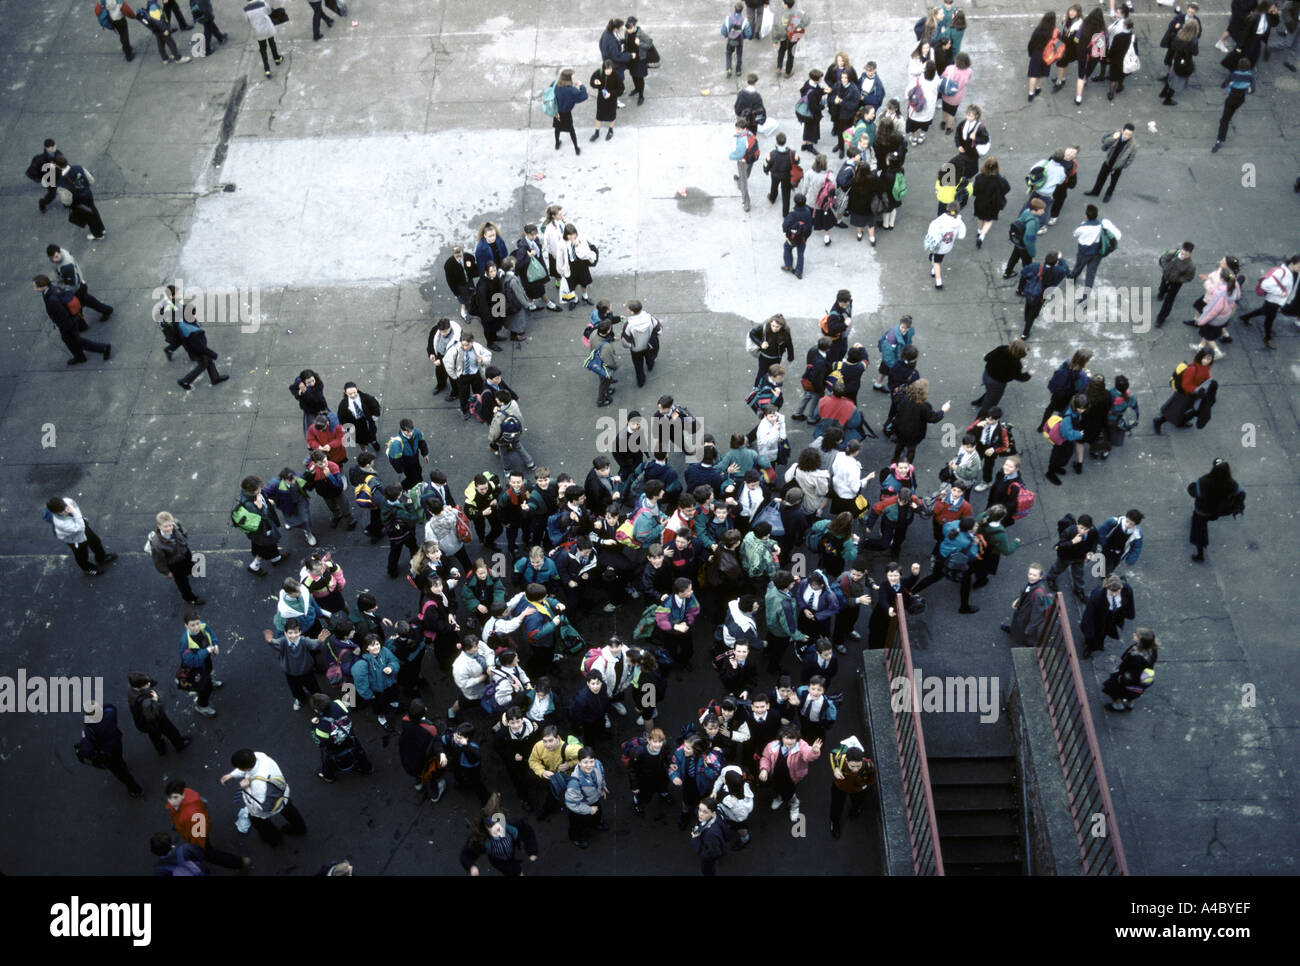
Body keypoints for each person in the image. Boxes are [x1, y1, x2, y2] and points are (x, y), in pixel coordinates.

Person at [219, 748, 306, 846]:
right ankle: (300, 828)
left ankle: (274, 839)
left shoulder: (259, 785)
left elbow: (260, 806)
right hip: (282, 793)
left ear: (245, 768)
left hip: (268, 805)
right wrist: (231, 775)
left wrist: (245, 788)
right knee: (288, 809)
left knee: (258, 822)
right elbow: (248, 768)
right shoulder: (259, 756)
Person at [163, 781, 249, 872]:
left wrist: (198, 848)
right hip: (192, 830)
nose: (170, 801)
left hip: (198, 837)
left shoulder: (193, 814)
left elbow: (199, 837)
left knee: (210, 855)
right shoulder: (186, 795)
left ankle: (239, 863)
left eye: (174, 798)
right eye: (169, 797)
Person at [35, 275, 111, 365]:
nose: (34, 288)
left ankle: (103, 348)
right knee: (70, 340)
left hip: (68, 324)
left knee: (76, 341)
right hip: (71, 320)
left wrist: (64, 327)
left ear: (42, 286)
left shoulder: (52, 300)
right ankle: (80, 357)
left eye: (35, 286)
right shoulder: (52, 289)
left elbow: (63, 315)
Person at [75, 702, 143, 797]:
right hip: (116, 742)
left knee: (119, 771)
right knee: (119, 758)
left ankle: (134, 789)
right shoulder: (109, 714)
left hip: (107, 752)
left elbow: (87, 749)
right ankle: (124, 766)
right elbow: (111, 707)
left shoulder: (90, 729)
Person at [460, 794, 540, 876]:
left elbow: (527, 831)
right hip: (499, 860)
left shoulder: (513, 826)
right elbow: (467, 853)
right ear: (486, 829)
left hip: (511, 849)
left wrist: (532, 849)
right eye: (492, 827)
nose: (498, 830)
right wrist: (471, 866)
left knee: (512, 863)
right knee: (511, 870)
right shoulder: (482, 840)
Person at [758, 725, 821, 820]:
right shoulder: (772, 746)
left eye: (793, 738)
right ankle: (780, 797)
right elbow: (765, 758)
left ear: (797, 738)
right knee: (777, 787)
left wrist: (814, 752)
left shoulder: (801, 746)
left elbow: (807, 755)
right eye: (787, 738)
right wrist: (764, 769)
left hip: (792, 776)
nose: (790, 741)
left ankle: (795, 804)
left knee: (790, 792)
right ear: (781, 737)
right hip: (776, 774)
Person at [1189, 458, 1245, 562]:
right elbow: (1241, 493)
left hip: (1202, 511)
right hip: (1218, 511)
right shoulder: (1231, 483)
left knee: (1199, 530)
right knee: (1201, 522)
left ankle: (1200, 555)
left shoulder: (1203, 482)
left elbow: (1193, 492)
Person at [44, 496, 117, 576]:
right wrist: (75, 513)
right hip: (74, 538)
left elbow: (76, 509)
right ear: (55, 513)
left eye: (65, 507)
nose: (66, 511)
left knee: (95, 542)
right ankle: (87, 568)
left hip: (80, 526)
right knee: (81, 554)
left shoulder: (68, 501)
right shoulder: (60, 523)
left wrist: (80, 518)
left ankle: (101, 558)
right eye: (63, 512)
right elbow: (80, 528)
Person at [1239, 254, 1299, 349]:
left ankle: (1245, 317)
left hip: (1278, 300)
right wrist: (1280, 293)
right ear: (1292, 263)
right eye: (1299, 266)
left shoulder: (1294, 272)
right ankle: (1267, 337)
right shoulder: (1281, 272)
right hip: (1273, 300)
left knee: (1264, 311)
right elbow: (1265, 285)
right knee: (1270, 318)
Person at [126, 672, 191, 756]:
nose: (149, 684)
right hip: (155, 720)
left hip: (144, 724)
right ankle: (179, 744)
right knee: (171, 731)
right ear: (139, 687)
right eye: (147, 684)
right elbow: (153, 716)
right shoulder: (146, 702)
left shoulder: (131, 689)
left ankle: (160, 749)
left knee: (154, 736)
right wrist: (156, 700)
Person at [147, 511, 204, 605]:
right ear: (159, 526)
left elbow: (184, 532)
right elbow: (159, 561)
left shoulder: (176, 524)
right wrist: (166, 572)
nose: (169, 528)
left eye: (170, 525)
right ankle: (189, 598)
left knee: (190, 566)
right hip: (175, 564)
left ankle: (190, 571)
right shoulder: (157, 544)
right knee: (182, 582)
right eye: (165, 526)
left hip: (185, 554)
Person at [1153, 348, 1215, 433]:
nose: (1206, 361)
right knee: (1174, 411)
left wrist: (1209, 381)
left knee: (1183, 411)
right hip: (1184, 395)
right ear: (1200, 357)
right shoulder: (1192, 369)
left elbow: (1205, 375)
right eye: (1204, 358)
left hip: (1192, 394)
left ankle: (1180, 422)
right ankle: (1158, 421)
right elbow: (1185, 385)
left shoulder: (1206, 367)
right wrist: (1197, 390)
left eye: (1209, 359)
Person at [46, 245, 112, 320]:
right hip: (80, 283)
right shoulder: (62, 252)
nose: (54, 260)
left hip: (77, 289)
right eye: (51, 258)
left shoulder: (66, 266)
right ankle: (105, 311)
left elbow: (72, 285)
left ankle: (106, 311)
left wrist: (64, 291)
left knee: (82, 304)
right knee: (86, 302)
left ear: (60, 252)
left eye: (56, 257)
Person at [828, 737, 877, 838]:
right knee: (836, 806)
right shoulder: (840, 758)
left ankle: (855, 810)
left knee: (858, 802)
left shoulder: (868, 765)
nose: (855, 769)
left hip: (858, 789)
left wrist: (864, 786)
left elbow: (871, 778)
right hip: (840, 787)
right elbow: (832, 756)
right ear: (846, 760)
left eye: (858, 766)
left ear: (862, 760)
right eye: (852, 766)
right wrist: (836, 769)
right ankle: (835, 823)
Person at [1189, 263, 1241, 359]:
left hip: (1215, 319)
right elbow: (1238, 297)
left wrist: (1201, 320)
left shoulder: (1220, 294)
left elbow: (1212, 311)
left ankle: (1217, 352)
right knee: (1209, 333)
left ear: (1222, 279)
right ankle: (1200, 346)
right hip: (1225, 316)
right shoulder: (1234, 285)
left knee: (1208, 336)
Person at [892, 379, 951, 462]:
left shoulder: (904, 399)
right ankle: (908, 466)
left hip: (900, 428)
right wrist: (943, 411)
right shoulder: (924, 406)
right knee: (911, 449)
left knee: (900, 445)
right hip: (914, 433)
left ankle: (894, 460)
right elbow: (933, 418)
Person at [1079, 574, 1135, 659]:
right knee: (1095, 633)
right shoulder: (1097, 596)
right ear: (1107, 587)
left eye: (1117, 591)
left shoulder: (1127, 589)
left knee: (1105, 631)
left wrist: (1128, 613)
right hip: (1100, 617)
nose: (1114, 594)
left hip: (1114, 615)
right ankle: (1090, 647)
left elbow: (1129, 601)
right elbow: (1089, 614)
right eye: (1112, 591)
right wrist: (1088, 630)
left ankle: (1099, 644)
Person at [1046, 513, 1098, 602]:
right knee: (1058, 568)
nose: (1082, 531)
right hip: (1066, 557)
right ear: (1077, 524)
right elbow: (1060, 546)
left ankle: (1079, 590)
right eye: (1081, 528)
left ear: (1090, 528)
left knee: (1078, 574)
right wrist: (1072, 541)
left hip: (1080, 557)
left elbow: (1094, 543)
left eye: (1086, 529)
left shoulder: (1092, 531)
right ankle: (1050, 578)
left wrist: (1092, 552)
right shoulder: (1069, 531)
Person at [1102, 628, 1158, 711]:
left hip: (1129, 679)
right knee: (1133, 693)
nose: (1133, 634)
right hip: (1142, 679)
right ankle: (1130, 704)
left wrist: (1121, 679)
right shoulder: (1152, 650)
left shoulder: (1136, 657)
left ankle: (1118, 705)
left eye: (1136, 635)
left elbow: (1132, 673)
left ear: (1141, 641)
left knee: (1114, 689)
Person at [1019, 251, 1071, 339]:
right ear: (1056, 263)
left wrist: (1021, 288)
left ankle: (1026, 318)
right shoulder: (1059, 271)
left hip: (1030, 290)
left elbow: (1023, 272)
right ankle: (1026, 331)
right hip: (1044, 293)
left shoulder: (1035, 266)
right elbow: (1066, 268)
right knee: (1037, 306)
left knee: (1028, 304)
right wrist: (1060, 258)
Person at [564, 747, 609, 848]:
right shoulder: (574, 783)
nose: (589, 765)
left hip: (593, 798)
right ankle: (576, 838)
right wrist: (589, 809)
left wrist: (602, 786)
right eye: (585, 762)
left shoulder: (597, 764)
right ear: (579, 763)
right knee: (577, 825)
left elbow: (601, 775)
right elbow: (572, 804)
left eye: (591, 761)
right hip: (579, 805)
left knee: (598, 812)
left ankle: (597, 823)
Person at [973, 340, 1033, 411]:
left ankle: (979, 402)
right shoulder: (1016, 364)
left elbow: (986, 358)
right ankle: (981, 417)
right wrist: (1029, 374)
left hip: (986, 375)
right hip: (997, 383)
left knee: (990, 392)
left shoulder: (1002, 348)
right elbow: (1020, 377)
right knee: (991, 402)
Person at [1002, 562, 1054, 645]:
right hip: (1023, 611)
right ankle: (1013, 631)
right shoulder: (1033, 584)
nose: (1031, 577)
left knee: (1025, 630)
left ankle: (1030, 642)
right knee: (1018, 624)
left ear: (1040, 577)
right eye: (1030, 574)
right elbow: (1026, 594)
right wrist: (1018, 601)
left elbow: (1037, 614)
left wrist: (1030, 628)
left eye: (1034, 575)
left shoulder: (1038, 593)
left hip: (1027, 616)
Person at [1212, 56, 1255, 152]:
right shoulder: (1250, 77)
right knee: (1232, 111)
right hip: (1240, 99)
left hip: (1231, 98)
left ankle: (1220, 140)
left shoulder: (1233, 74)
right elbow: (1252, 90)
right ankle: (1228, 118)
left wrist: (1226, 85)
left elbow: (1224, 85)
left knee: (1224, 120)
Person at [970, 156, 1010, 248]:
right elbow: (1007, 189)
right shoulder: (1000, 180)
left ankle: (979, 231)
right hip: (993, 204)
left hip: (980, 202)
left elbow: (975, 192)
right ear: (997, 167)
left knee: (980, 217)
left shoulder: (979, 177)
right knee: (989, 220)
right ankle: (982, 236)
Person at [1155, 242, 1198, 327]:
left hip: (1176, 282)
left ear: (1190, 254)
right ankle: (1161, 293)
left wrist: (1178, 279)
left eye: (1186, 255)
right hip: (1166, 276)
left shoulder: (1191, 265)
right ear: (1181, 249)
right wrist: (1166, 269)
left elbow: (1189, 277)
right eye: (1182, 253)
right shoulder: (1173, 253)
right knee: (1163, 286)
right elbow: (1163, 259)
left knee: (1169, 300)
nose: (1183, 256)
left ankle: (1161, 319)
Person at [924, 202, 966, 289]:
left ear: (947, 209)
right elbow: (961, 235)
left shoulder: (941, 220)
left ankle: (938, 282)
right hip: (947, 246)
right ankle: (933, 270)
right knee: (939, 259)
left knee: (936, 262)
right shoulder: (959, 222)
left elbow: (931, 229)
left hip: (938, 246)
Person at [1003, 198, 1046, 279]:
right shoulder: (1033, 223)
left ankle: (1007, 273)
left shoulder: (1026, 211)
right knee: (1027, 266)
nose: (1043, 212)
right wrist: (1032, 253)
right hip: (1024, 246)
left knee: (1014, 257)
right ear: (1036, 210)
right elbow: (1029, 241)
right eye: (1042, 210)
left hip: (1018, 241)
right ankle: (1022, 285)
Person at [689, 798, 733, 875]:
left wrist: (695, 840)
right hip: (718, 844)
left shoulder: (710, 834)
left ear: (713, 813)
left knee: (707, 871)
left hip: (710, 856)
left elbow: (711, 854)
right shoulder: (716, 815)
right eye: (700, 810)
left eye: (705, 812)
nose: (700, 814)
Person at [241, 0, 282, 78]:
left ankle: (267, 69)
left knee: (263, 49)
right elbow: (269, 11)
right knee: (272, 43)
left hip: (258, 31)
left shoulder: (246, 9)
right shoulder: (263, 3)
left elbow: (246, 20)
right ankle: (277, 59)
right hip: (267, 28)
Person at [337, 381, 382, 453]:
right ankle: (364, 450)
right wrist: (348, 428)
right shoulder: (343, 405)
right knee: (360, 439)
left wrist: (375, 415)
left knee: (371, 433)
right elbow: (342, 417)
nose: (353, 395)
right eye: (350, 394)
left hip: (366, 420)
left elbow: (374, 404)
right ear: (345, 393)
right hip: (355, 424)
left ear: (357, 389)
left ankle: (374, 442)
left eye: (354, 392)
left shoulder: (365, 397)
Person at [1097, 509, 1144, 575]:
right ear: (1126, 517)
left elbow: (1137, 548)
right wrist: (1101, 540)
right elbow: (1102, 530)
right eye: (1127, 521)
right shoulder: (1115, 521)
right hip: (1107, 545)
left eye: (1131, 524)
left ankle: (1105, 575)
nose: (1127, 525)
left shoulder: (1137, 534)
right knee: (1104, 558)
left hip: (1120, 552)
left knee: (1113, 565)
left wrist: (1130, 560)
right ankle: (1104, 573)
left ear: (1135, 525)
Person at [589, 59, 625, 142]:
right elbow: (591, 82)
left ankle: (610, 130)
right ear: (603, 68)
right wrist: (595, 82)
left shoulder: (616, 76)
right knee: (599, 115)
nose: (608, 72)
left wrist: (611, 94)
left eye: (610, 69)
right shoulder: (599, 72)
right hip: (601, 98)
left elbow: (621, 89)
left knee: (612, 115)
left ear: (612, 68)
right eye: (606, 70)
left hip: (612, 100)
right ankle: (596, 132)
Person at [781, 192, 814, 279]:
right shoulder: (808, 211)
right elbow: (810, 226)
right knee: (800, 254)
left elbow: (785, 225)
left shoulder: (793, 214)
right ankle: (798, 272)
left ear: (795, 202)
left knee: (787, 247)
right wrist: (805, 237)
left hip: (793, 238)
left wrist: (786, 233)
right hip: (802, 238)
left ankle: (788, 265)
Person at [775, 0, 809, 77]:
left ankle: (779, 67)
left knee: (781, 50)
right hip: (792, 37)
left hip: (783, 36)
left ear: (786, 5)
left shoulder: (782, 14)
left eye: (783, 2)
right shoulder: (797, 14)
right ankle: (788, 71)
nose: (782, 3)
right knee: (791, 53)